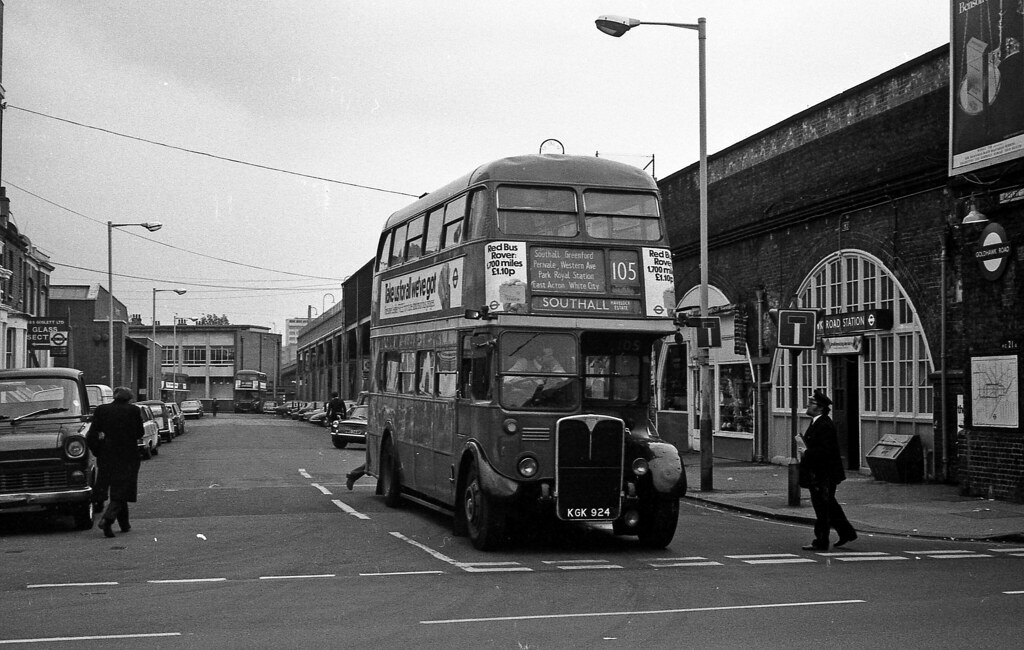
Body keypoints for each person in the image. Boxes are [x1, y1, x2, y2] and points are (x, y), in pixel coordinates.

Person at [798, 390, 857, 550]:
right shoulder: (817, 422)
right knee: (829, 505)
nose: (808, 406)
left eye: (811, 403)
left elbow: (825, 451)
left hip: (823, 474)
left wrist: (806, 452)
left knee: (822, 508)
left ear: (820, 407)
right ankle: (847, 533)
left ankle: (822, 541)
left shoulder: (824, 425)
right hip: (821, 473)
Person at [86, 386, 144, 538]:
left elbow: (91, 435)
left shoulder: (102, 410)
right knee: (122, 489)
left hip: (107, 456)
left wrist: (98, 450)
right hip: (128, 456)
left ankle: (125, 524)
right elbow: (140, 432)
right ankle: (108, 519)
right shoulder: (133, 411)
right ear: (128, 398)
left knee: (116, 489)